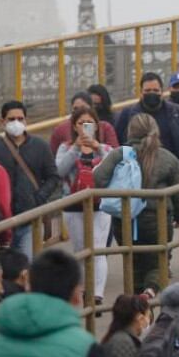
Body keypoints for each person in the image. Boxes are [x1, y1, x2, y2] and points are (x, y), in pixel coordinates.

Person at [95, 113, 179, 296]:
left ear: (130, 131)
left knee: (133, 261)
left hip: (124, 220)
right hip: (157, 220)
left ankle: (136, 301)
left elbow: (99, 179)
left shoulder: (120, 154)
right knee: (158, 261)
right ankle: (150, 290)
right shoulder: (166, 157)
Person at [0, 100, 62, 260]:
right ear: (2, 122)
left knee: (27, 265)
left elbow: (53, 176)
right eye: (11, 119)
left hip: (31, 218)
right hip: (2, 220)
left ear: (26, 120)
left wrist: (39, 197)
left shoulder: (40, 146)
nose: (16, 123)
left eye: (20, 119)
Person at [55, 105, 113, 304]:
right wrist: (76, 149)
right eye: (81, 123)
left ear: (96, 125)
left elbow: (114, 166)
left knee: (98, 248)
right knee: (81, 250)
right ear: (74, 126)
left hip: (100, 205)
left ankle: (96, 293)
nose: (85, 127)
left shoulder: (104, 148)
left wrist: (97, 147)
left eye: (89, 123)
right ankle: (84, 289)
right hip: (74, 205)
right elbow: (60, 171)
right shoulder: (66, 147)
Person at [115, 72, 179, 158]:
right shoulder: (128, 114)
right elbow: (119, 142)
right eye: (147, 90)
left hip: (170, 166)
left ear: (162, 92)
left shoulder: (175, 112)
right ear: (141, 92)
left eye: (155, 90)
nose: (152, 93)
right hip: (138, 166)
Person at [50, 92, 119, 152]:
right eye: (75, 109)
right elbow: (54, 160)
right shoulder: (60, 130)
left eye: (83, 108)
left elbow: (115, 156)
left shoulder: (105, 128)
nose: (79, 112)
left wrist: (99, 148)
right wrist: (75, 148)